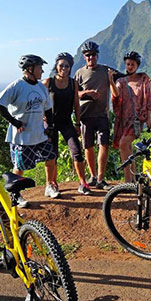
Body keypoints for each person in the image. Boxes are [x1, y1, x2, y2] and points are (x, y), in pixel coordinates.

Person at [0, 54, 59, 207]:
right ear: (30, 69)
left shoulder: (41, 87)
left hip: (40, 134)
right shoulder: (17, 86)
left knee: (51, 158)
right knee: (20, 167)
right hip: (22, 137)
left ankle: (49, 186)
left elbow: (48, 109)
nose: (42, 71)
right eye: (39, 68)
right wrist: (14, 122)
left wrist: (49, 127)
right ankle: (15, 196)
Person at [74, 40, 121, 190]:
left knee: (104, 145)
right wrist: (87, 93)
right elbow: (74, 94)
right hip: (85, 115)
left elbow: (125, 76)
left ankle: (101, 178)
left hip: (102, 114)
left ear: (97, 56)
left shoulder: (105, 70)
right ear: (84, 57)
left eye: (93, 55)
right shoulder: (80, 73)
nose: (90, 58)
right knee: (88, 147)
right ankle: (93, 177)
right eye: (88, 55)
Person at [43, 52, 92, 195]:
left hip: (66, 122)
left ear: (70, 67)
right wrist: (42, 119)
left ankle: (83, 183)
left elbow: (76, 104)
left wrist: (77, 123)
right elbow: (39, 102)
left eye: (67, 66)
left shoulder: (73, 83)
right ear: (56, 66)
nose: (64, 68)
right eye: (61, 65)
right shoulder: (48, 82)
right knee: (52, 155)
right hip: (51, 123)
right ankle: (51, 184)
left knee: (76, 151)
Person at [112, 51, 151, 182]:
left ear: (137, 65)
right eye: (127, 64)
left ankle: (128, 180)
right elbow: (116, 95)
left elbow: (148, 99)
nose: (129, 66)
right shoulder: (121, 81)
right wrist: (110, 81)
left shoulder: (143, 80)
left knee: (123, 144)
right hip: (123, 120)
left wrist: (148, 118)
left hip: (137, 120)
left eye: (132, 64)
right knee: (128, 147)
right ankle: (133, 176)